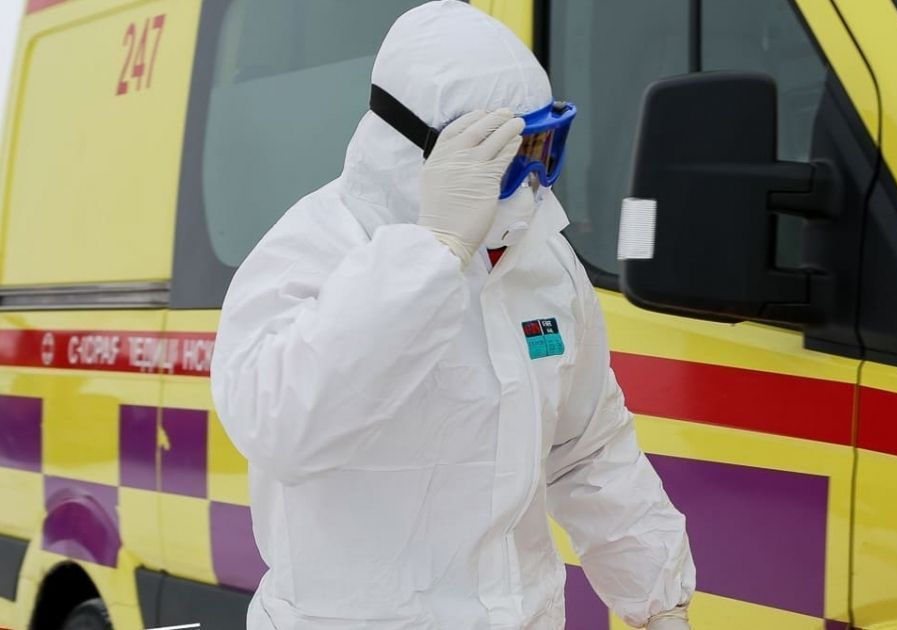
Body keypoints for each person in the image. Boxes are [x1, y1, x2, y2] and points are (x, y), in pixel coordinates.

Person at [210, 2, 694, 628]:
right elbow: (284, 429)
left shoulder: (542, 262)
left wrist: (658, 601)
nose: (529, 179)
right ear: (418, 152)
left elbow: (587, 450)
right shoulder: (310, 252)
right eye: (501, 155)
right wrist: (432, 253)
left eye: (541, 147)